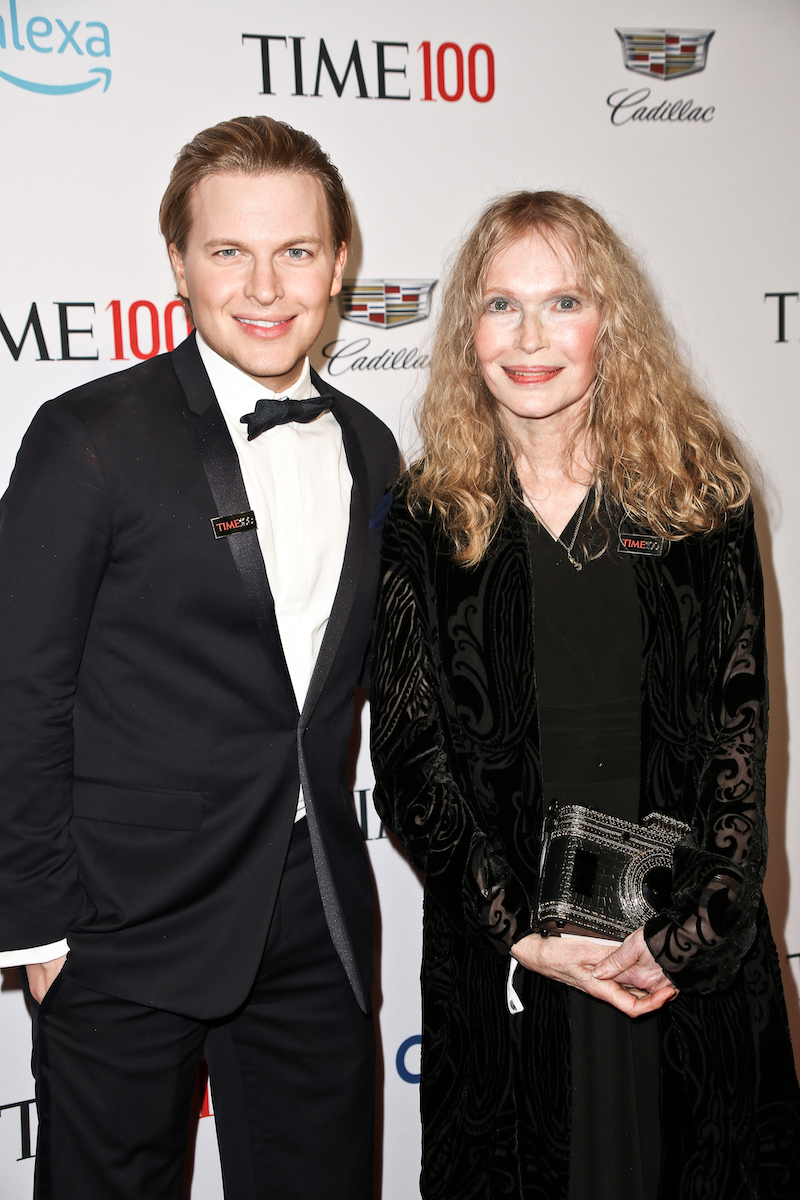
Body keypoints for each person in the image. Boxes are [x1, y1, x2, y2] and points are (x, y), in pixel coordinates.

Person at [370, 191, 800, 1200]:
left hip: (683, 955)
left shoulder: (701, 495)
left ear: (610, 320)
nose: (529, 338)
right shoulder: (427, 519)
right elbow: (408, 757)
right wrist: (520, 929)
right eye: (500, 305)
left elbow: (741, 744)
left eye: (562, 302)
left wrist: (683, 939)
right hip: (512, 959)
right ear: (465, 330)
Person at [0, 115, 397, 1200]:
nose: (264, 285)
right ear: (176, 260)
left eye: (296, 251)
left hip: (314, 916)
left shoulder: (368, 444)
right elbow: (19, 685)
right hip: (124, 924)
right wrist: (37, 925)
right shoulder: (89, 435)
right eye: (229, 251)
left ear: (340, 262)